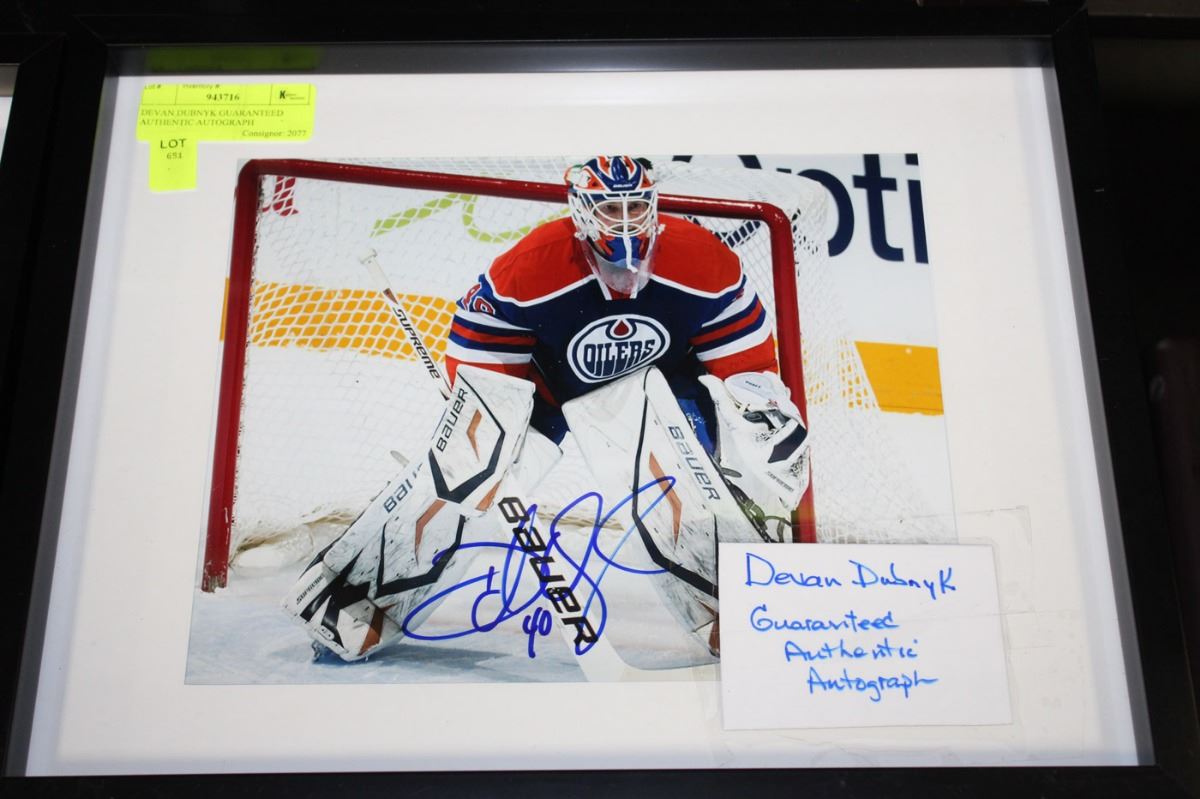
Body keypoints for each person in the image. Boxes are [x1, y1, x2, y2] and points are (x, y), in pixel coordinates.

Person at [281, 156, 808, 663]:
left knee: (686, 479)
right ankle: (351, 602)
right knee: (467, 470)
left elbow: (745, 363)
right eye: (611, 208)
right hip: (550, 388)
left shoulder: (702, 259)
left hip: (660, 385)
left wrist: (759, 417)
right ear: (582, 210)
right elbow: (480, 343)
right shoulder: (532, 265)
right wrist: (485, 419)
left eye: (635, 206)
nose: (625, 221)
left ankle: (741, 611)